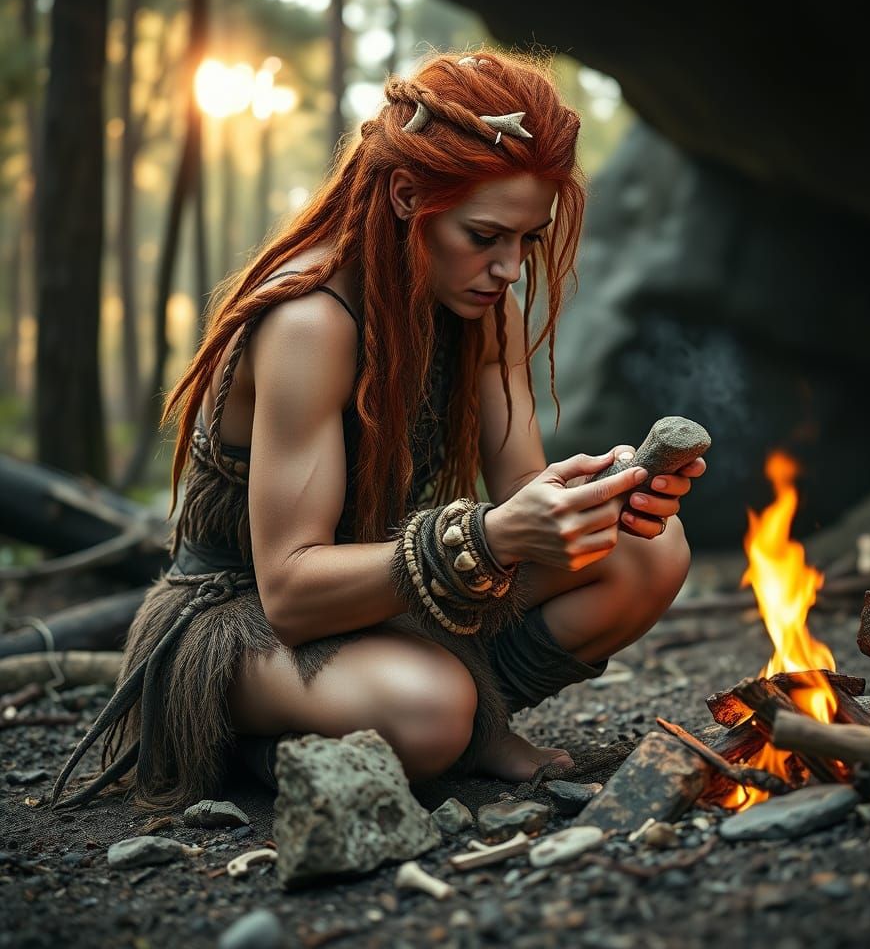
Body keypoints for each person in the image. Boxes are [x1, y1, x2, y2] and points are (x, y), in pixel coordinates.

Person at [51, 46, 706, 812]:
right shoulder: (309, 322)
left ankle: (467, 720)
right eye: (484, 235)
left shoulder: (484, 306)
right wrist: (487, 539)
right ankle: (267, 745)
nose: (508, 269)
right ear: (404, 194)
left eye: (527, 241)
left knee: (647, 551)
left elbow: (524, 490)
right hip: (236, 619)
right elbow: (291, 592)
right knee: (428, 712)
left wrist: (603, 495)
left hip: (382, 599)